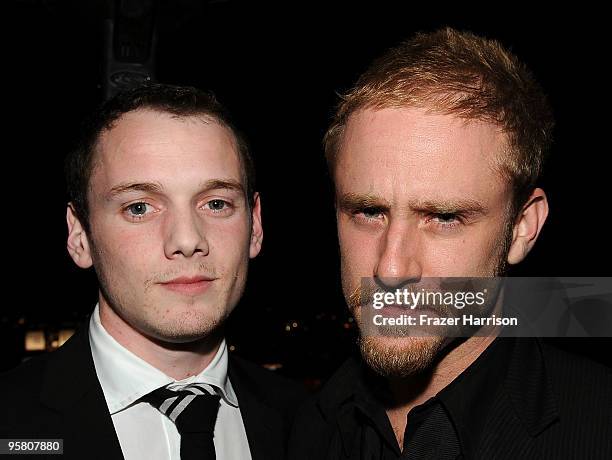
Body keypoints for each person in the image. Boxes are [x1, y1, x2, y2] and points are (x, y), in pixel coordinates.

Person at [288, 28, 612, 459]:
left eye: (443, 218)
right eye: (368, 211)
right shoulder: (306, 428)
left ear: (522, 227)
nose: (392, 268)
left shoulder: (598, 425)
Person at [0, 84, 305, 460]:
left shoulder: (310, 425)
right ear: (80, 235)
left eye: (215, 203)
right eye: (140, 208)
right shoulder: (10, 424)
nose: (187, 239)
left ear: (255, 226)